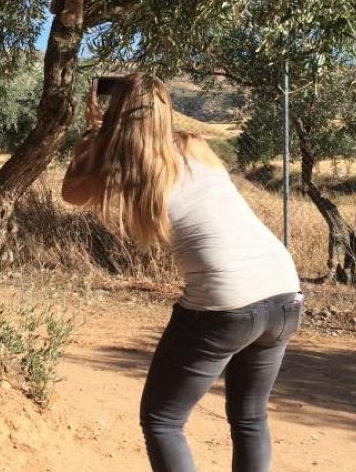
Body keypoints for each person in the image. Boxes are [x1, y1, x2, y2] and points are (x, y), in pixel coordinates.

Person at [61, 73, 302, 472]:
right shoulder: (195, 145)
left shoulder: (122, 166)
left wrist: (90, 138)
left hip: (225, 299)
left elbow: (71, 193)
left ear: (117, 115)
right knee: (249, 417)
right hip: (283, 288)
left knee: (163, 420)